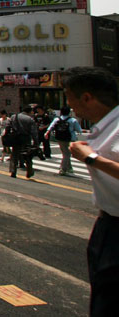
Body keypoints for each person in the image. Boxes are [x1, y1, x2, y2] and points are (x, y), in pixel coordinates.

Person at [60, 67, 119, 316]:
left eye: (69, 98)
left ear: (86, 97)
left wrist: (91, 157)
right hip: (107, 225)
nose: (69, 106)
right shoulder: (106, 125)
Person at [46, 106, 82, 176]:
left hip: (59, 138)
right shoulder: (72, 120)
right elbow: (79, 130)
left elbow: (51, 126)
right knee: (67, 154)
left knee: (65, 153)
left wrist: (47, 133)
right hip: (70, 138)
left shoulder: (57, 119)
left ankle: (69, 168)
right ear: (69, 112)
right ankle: (63, 169)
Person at [9, 105, 38, 179]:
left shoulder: (14, 116)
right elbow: (34, 132)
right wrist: (36, 142)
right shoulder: (30, 119)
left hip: (15, 137)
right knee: (27, 155)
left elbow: (8, 126)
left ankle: (13, 171)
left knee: (14, 154)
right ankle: (29, 172)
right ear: (29, 111)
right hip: (25, 138)